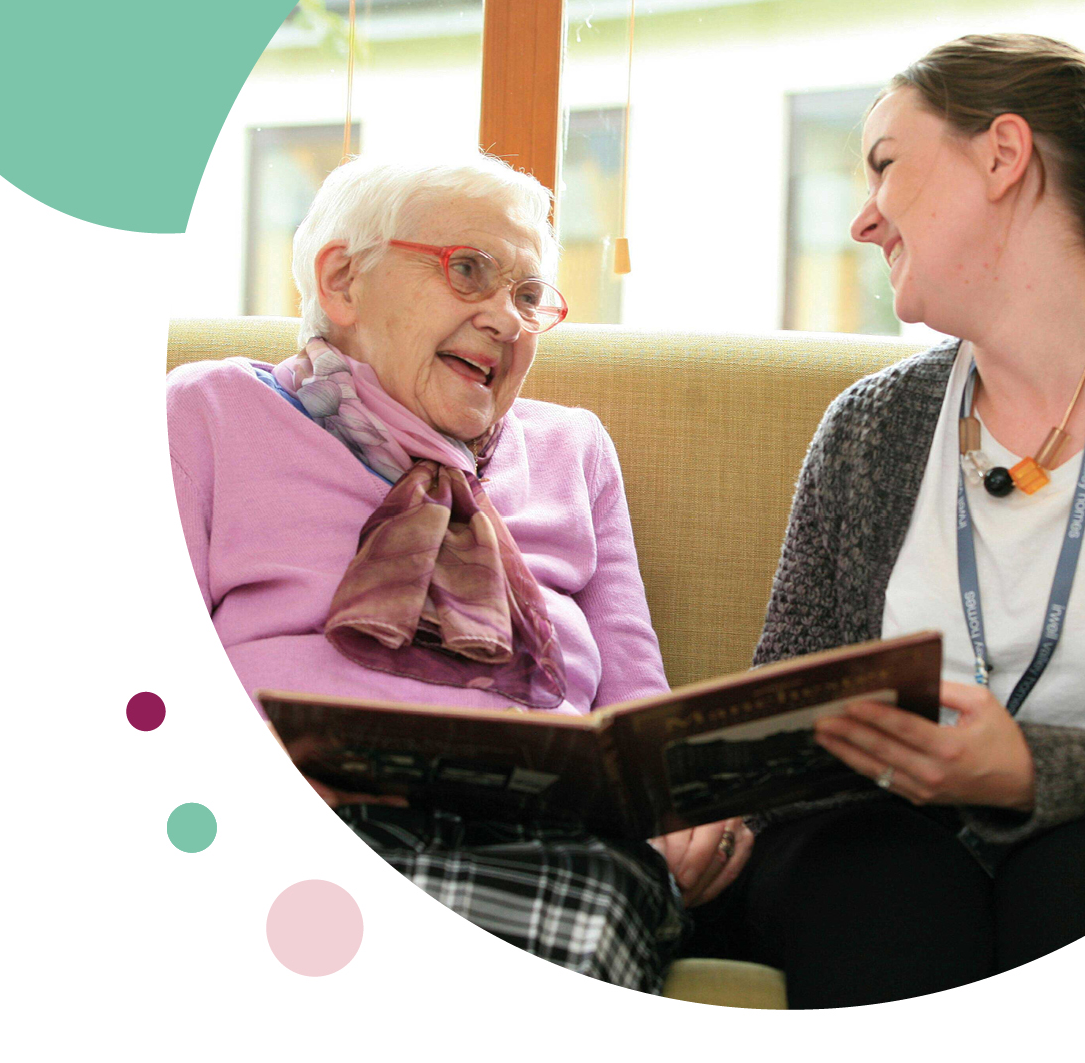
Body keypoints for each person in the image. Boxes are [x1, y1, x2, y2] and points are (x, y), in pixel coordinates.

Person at [687, 34, 1085, 1008]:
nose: (863, 218)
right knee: (878, 888)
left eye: (884, 165)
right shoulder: (870, 427)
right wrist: (717, 807)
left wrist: (1025, 767)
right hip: (873, 837)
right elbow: (787, 704)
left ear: (1002, 155)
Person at [166, 153, 752, 993]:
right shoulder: (208, 410)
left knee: (593, 891)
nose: (506, 320)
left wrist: (690, 804)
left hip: (549, 842)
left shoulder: (573, 449)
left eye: (528, 295)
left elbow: (639, 713)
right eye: (468, 271)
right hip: (296, 817)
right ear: (341, 281)